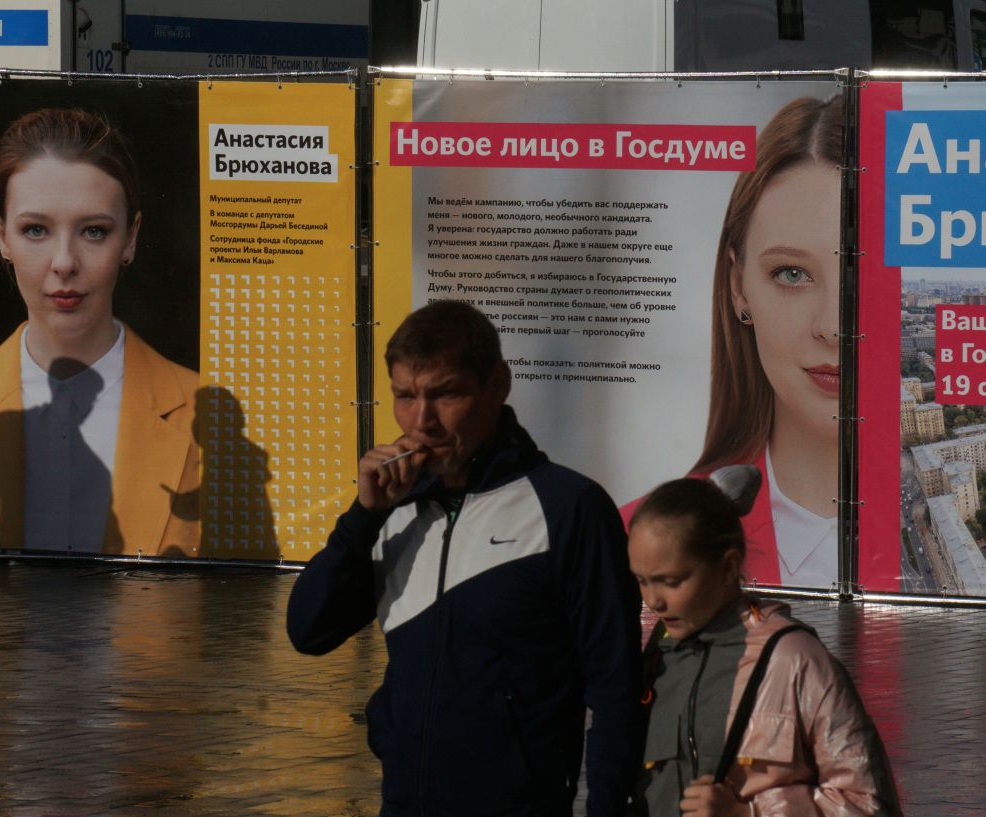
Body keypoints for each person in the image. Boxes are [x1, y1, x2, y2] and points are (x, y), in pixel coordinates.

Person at [287, 300, 643, 817]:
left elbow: (616, 688)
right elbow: (308, 631)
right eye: (405, 397)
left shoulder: (570, 507)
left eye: (445, 394)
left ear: (497, 386)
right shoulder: (393, 510)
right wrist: (362, 518)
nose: (422, 420)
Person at [625, 94, 894, 590]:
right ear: (737, 286)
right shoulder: (631, 540)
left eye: (867, 271)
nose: (834, 326)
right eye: (792, 273)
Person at [0, 108, 199, 556]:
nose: (64, 262)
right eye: (36, 230)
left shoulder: (208, 421)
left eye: (94, 231)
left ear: (130, 238)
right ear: (2, 236)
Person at [627, 467, 902, 817]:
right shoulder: (657, 657)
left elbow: (869, 803)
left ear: (728, 567)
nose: (654, 600)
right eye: (642, 581)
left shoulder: (794, 659)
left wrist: (749, 813)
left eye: (671, 581)